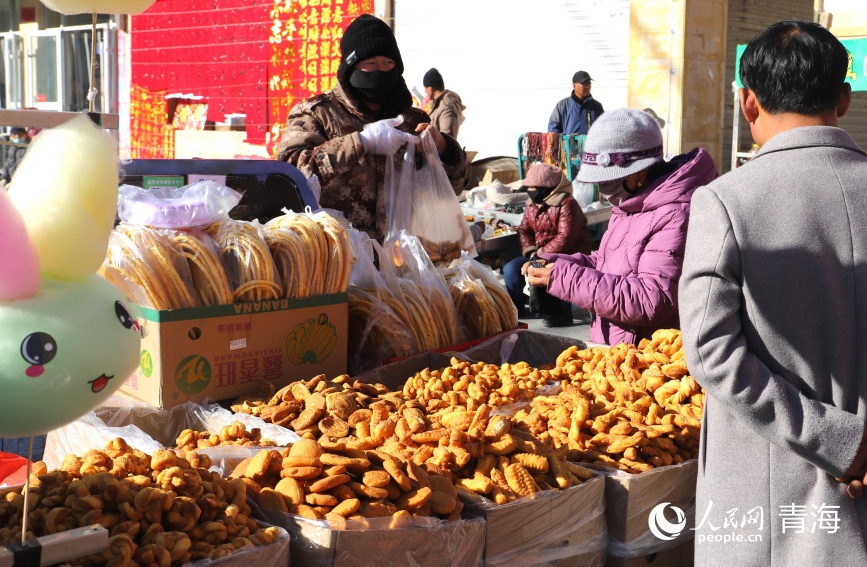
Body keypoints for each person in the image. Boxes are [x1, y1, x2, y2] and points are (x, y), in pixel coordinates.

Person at [679, 21, 867, 566]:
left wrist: (841, 442)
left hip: (766, 508)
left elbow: (712, 352)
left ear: (747, 103)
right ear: (844, 99)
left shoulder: (725, 202)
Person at [526, 108, 717, 345]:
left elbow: (651, 299)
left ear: (639, 173)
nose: (604, 191)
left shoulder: (675, 214)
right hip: (616, 349)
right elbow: (609, 264)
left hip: (647, 363)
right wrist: (559, 263)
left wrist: (566, 278)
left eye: (607, 181)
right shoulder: (629, 205)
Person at [276, 15, 471, 240]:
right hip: (340, 258)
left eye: (388, 64)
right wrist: (361, 143)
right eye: (370, 64)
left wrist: (445, 148)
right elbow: (288, 176)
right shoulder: (317, 113)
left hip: (404, 261)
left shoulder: (411, 120)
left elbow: (451, 188)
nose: (381, 71)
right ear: (351, 67)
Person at [503, 163, 590, 327]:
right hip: (537, 254)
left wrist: (541, 255)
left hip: (567, 254)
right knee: (511, 270)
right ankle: (517, 308)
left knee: (552, 271)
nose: (529, 190)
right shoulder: (531, 205)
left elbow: (565, 238)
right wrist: (531, 252)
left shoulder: (567, 204)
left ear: (545, 187)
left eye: (532, 187)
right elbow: (523, 229)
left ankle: (560, 313)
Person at [548, 71, 604, 135]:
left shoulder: (597, 107)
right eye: (584, 83)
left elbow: (603, 129)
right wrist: (561, 141)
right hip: (568, 144)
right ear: (574, 85)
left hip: (589, 144)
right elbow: (553, 128)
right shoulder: (562, 105)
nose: (587, 86)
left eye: (589, 83)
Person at [422, 68, 466, 139]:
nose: (424, 90)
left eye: (425, 87)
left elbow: (447, 136)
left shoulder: (446, 105)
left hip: (442, 149)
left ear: (430, 88)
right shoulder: (437, 104)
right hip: (436, 148)